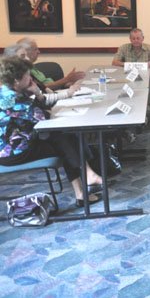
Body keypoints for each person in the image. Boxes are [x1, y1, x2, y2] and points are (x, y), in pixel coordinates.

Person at [0, 56, 103, 207]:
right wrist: (36, 92)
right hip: (13, 152)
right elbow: (44, 116)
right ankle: (86, 181)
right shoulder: (11, 98)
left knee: (62, 137)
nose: (31, 78)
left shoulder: (13, 90)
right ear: (16, 80)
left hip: (24, 141)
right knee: (63, 141)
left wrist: (38, 94)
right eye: (27, 75)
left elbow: (41, 111)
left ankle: (84, 186)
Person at [112, 28, 150, 126]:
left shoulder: (149, 48)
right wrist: (127, 65)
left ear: (142, 38)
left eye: (138, 38)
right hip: (128, 78)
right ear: (130, 39)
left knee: (148, 88)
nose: (136, 40)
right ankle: (142, 114)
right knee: (141, 88)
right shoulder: (123, 48)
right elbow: (114, 62)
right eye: (133, 38)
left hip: (147, 77)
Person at [17, 37, 85, 91]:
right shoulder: (22, 71)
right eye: (35, 49)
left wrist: (67, 84)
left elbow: (46, 84)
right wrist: (66, 79)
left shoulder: (32, 66)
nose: (39, 52)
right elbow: (41, 88)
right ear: (25, 52)